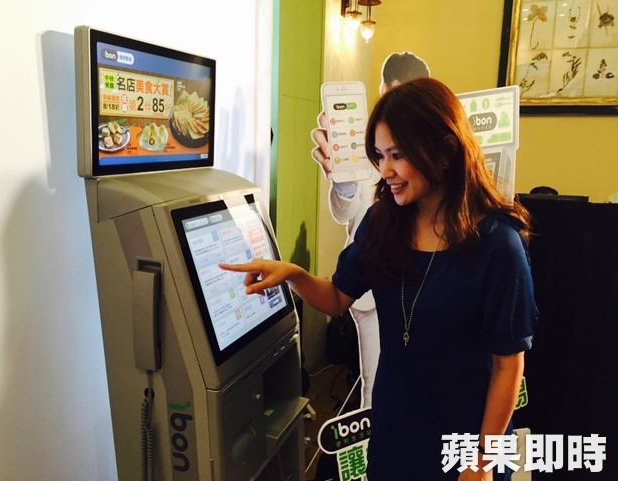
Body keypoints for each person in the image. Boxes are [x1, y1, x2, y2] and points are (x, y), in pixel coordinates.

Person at [221, 78, 538, 480]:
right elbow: (338, 297)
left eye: (398, 155)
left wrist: (483, 459)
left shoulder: (497, 244)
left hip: (467, 442)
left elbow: (508, 365)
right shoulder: (383, 222)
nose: (385, 171)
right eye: (380, 155)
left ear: (445, 150)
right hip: (395, 432)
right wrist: (294, 276)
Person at [310, 51, 431, 408]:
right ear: (383, 89)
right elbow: (344, 211)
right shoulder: (367, 140)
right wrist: (344, 180)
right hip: (370, 281)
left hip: (424, 284)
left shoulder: (430, 146)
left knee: (422, 383)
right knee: (376, 389)